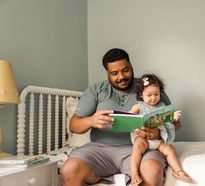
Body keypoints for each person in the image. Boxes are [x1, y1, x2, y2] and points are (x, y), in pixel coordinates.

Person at [60, 48, 181, 186]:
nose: (121, 77)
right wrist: (91, 120)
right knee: (69, 170)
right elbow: (73, 126)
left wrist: (158, 133)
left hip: (143, 148)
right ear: (107, 73)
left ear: (131, 66)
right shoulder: (96, 90)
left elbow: (176, 123)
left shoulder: (150, 88)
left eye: (125, 70)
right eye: (114, 73)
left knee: (153, 172)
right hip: (100, 150)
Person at [128, 74, 191, 185]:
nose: (153, 98)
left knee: (170, 150)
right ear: (141, 95)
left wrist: (173, 118)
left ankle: (178, 170)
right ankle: (134, 174)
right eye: (149, 95)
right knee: (137, 147)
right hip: (143, 139)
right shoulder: (139, 106)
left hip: (158, 139)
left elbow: (168, 123)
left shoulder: (162, 106)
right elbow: (128, 117)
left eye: (156, 94)